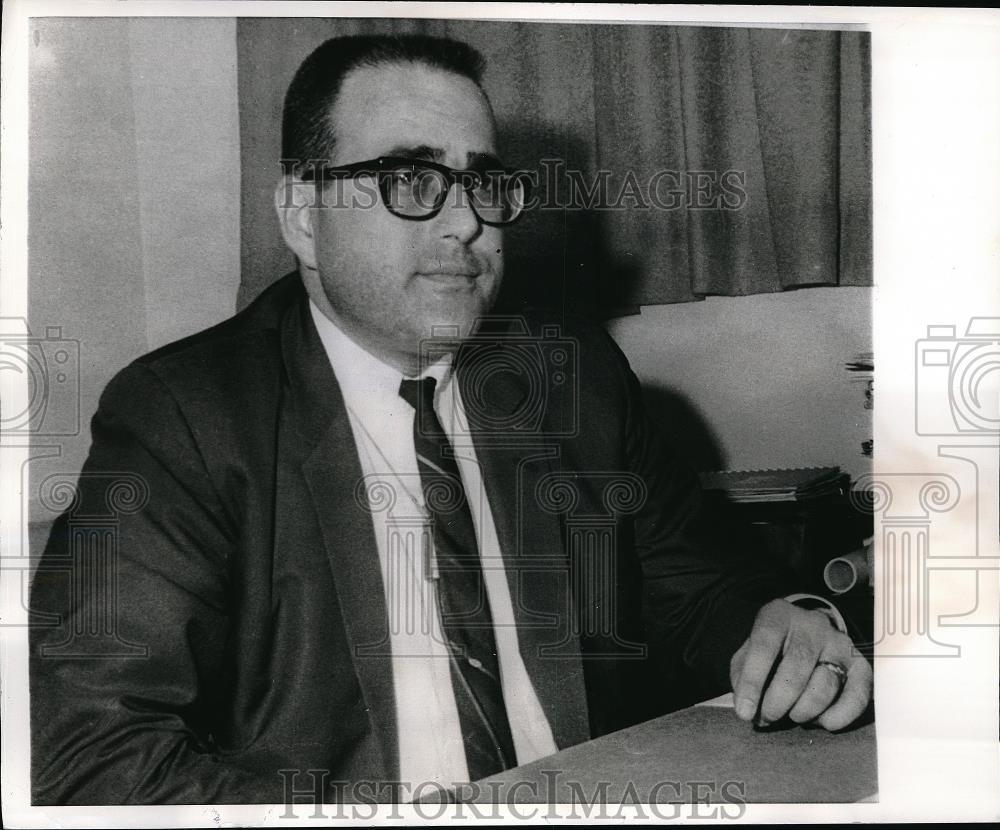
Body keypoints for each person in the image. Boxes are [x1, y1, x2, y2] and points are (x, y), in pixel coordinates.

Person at [29, 34, 872, 806]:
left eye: (484, 181)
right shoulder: (184, 417)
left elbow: (705, 593)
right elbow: (90, 753)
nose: (468, 221)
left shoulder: (568, 378)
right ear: (302, 217)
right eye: (411, 180)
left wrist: (793, 619)